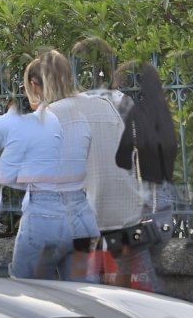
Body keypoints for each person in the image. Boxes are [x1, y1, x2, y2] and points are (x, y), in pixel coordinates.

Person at [0, 51, 96, 280]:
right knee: (81, 293)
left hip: (44, 216)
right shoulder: (82, 119)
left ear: (34, 86)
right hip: (80, 215)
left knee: (29, 290)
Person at [40, 53, 150, 286]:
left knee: (76, 273)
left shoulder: (52, 113)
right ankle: (119, 302)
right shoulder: (104, 103)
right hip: (122, 201)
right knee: (121, 271)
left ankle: (84, 299)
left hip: (83, 209)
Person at [116, 61, 180, 273]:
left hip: (144, 216)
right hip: (165, 218)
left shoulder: (135, 117)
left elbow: (121, 159)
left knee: (131, 268)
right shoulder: (167, 119)